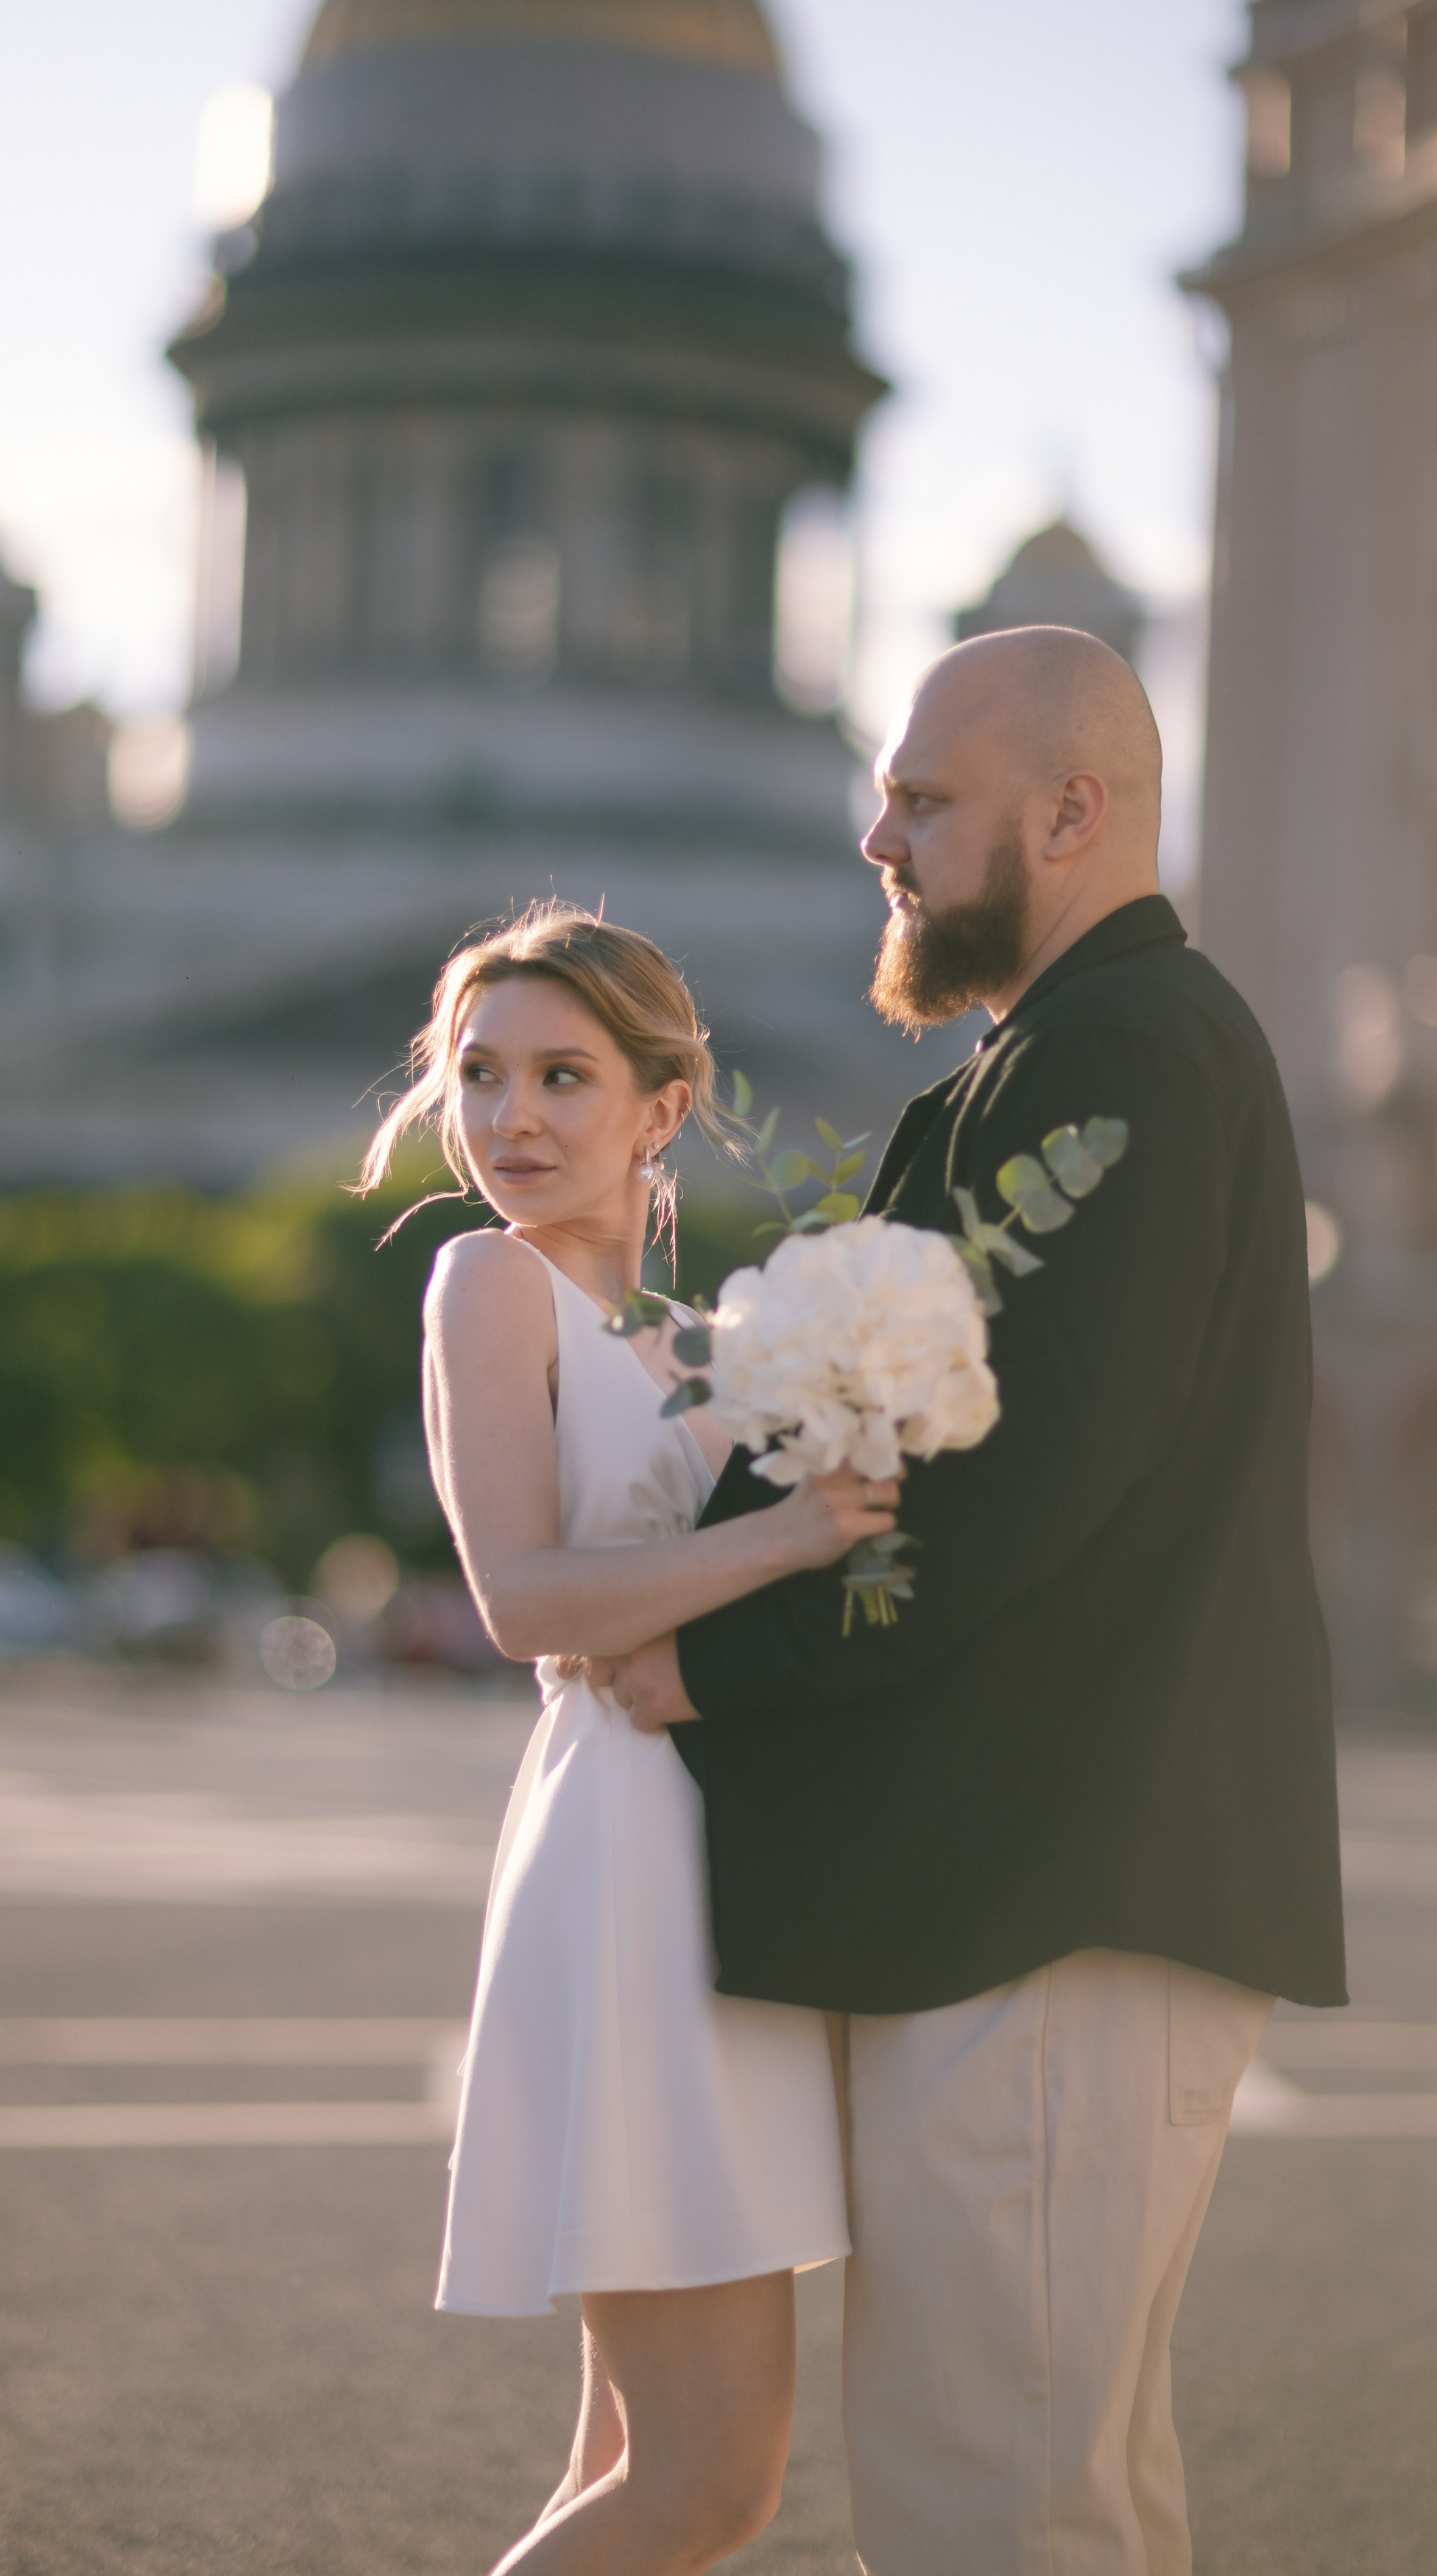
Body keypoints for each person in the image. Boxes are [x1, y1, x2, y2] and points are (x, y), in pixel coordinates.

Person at [593, 624, 1349, 2576]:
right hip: (1029, 1891)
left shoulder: (1117, 1055)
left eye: (920, 798)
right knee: (1023, 2491)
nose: (874, 835)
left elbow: (1012, 1493)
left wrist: (694, 1661)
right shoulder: (1057, 1055)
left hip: (1052, 1889)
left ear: (1068, 809)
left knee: (999, 2508)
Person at [359, 905, 900, 2576]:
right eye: (482, 1073)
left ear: (663, 1107)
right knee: (709, 2482)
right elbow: (524, 1601)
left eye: (562, 1076)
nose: (510, 1116)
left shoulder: (704, 1341)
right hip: (626, 1867)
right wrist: (785, 1540)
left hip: (719, 1864)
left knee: (623, 2457)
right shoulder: (485, 1282)